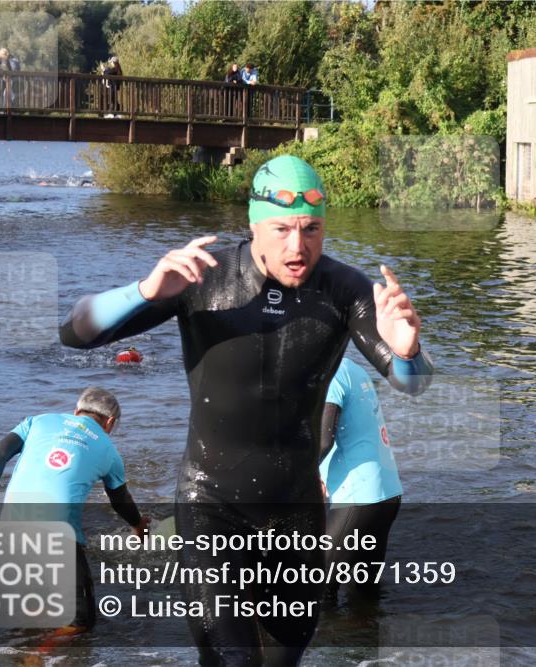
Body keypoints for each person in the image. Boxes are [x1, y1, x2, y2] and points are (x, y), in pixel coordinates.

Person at [60, 154, 433, 666]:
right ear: (254, 223)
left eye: (312, 229)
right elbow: (75, 332)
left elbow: (413, 383)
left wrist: (408, 351)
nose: (298, 247)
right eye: (281, 229)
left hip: (295, 515)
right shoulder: (201, 279)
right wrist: (145, 291)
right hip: (211, 503)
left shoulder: (345, 290)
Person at [0, 387, 150, 633]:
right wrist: (138, 525)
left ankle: (28, 650)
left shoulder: (37, 421)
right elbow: (120, 499)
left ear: (77, 410)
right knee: (80, 621)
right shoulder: (109, 450)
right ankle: (36, 655)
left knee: (34, 608)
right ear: (110, 422)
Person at [319, 357, 403, 600]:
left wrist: (302, 477)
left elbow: (324, 439)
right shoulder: (350, 366)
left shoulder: (329, 371)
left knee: (315, 589)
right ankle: (366, 635)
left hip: (358, 498)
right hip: (387, 493)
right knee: (365, 595)